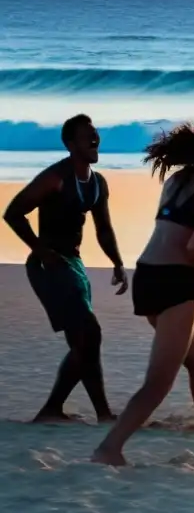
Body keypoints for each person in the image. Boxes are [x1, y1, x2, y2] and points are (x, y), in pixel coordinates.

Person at [92, 117, 194, 466]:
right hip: (174, 282)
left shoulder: (177, 180)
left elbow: (171, 232)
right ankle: (109, 448)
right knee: (158, 383)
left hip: (147, 274)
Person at [3, 114, 127, 423]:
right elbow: (13, 212)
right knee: (89, 334)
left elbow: (104, 229)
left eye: (96, 133)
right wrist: (41, 250)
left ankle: (77, 411)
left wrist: (117, 262)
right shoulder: (55, 177)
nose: (95, 138)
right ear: (71, 144)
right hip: (50, 266)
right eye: (88, 135)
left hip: (74, 265)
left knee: (84, 342)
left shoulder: (98, 183)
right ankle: (71, 411)